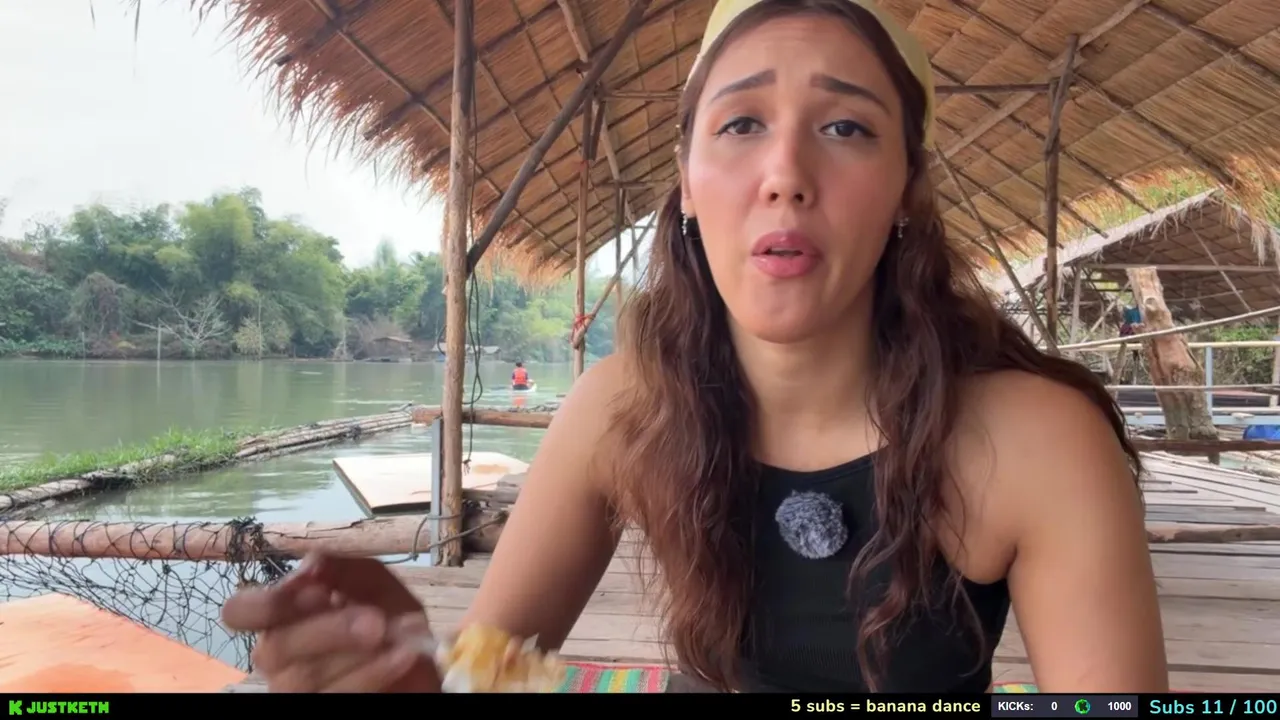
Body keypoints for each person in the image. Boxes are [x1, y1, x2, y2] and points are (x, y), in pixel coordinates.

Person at [223, 0, 1169, 694]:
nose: (785, 174)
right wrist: (417, 672)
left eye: (846, 127)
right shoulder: (622, 406)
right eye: (742, 124)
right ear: (685, 184)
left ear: (905, 192)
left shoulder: (1037, 441)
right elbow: (494, 671)